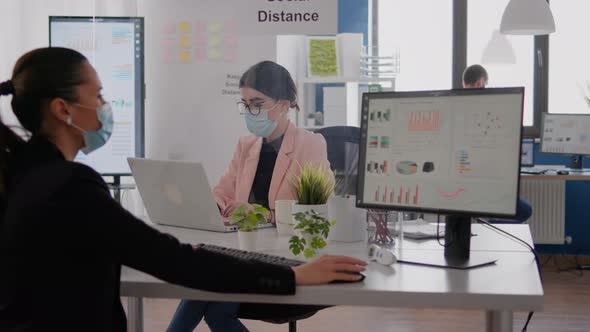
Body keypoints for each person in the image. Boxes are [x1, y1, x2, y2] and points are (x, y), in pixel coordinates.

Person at [0, 47, 367, 332]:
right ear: (62, 108)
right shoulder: (68, 187)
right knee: (204, 291)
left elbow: (308, 205)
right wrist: (288, 271)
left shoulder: (19, 174)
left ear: (284, 105)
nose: (104, 106)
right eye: (97, 96)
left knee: (205, 296)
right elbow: (177, 252)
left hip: (280, 246)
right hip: (246, 251)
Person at [167, 60, 334, 331]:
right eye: (245, 104)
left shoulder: (310, 145)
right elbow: (222, 191)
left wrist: (262, 214)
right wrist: (207, 205)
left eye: (256, 103)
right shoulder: (246, 145)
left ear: (282, 105)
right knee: (211, 298)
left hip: (285, 257)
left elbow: (317, 210)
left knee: (211, 301)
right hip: (244, 252)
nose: (249, 111)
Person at [462, 64, 533, 223]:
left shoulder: (459, 107)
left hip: (466, 183)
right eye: (485, 84)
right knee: (525, 210)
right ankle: (492, 228)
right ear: (481, 82)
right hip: (483, 185)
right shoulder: (490, 107)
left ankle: (489, 227)